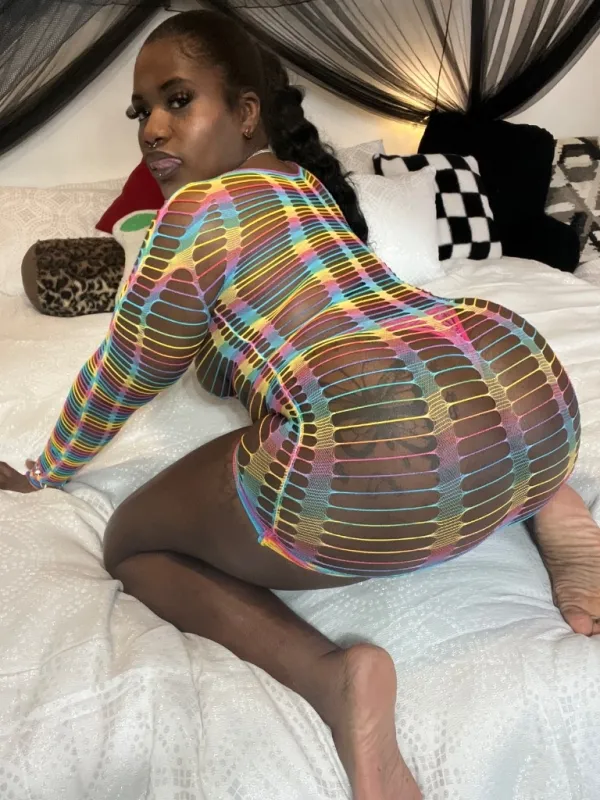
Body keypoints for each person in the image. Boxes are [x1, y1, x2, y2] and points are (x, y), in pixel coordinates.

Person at [1, 9, 599, 799]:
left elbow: (124, 373)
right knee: (425, 364)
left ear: (246, 111)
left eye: (177, 100)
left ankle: (334, 679)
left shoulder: (192, 215)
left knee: (132, 546)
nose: (151, 129)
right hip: (528, 387)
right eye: (140, 112)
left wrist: (46, 470)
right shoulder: (307, 190)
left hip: (385, 444)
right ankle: (550, 499)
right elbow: (279, 334)